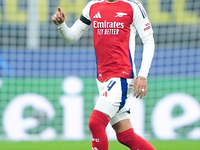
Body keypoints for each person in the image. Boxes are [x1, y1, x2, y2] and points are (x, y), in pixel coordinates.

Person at [52, 0, 155, 149]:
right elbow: (72, 36)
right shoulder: (93, 6)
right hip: (103, 79)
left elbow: (148, 40)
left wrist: (143, 74)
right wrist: (61, 25)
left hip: (122, 77)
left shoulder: (133, 6)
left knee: (95, 123)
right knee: (125, 135)